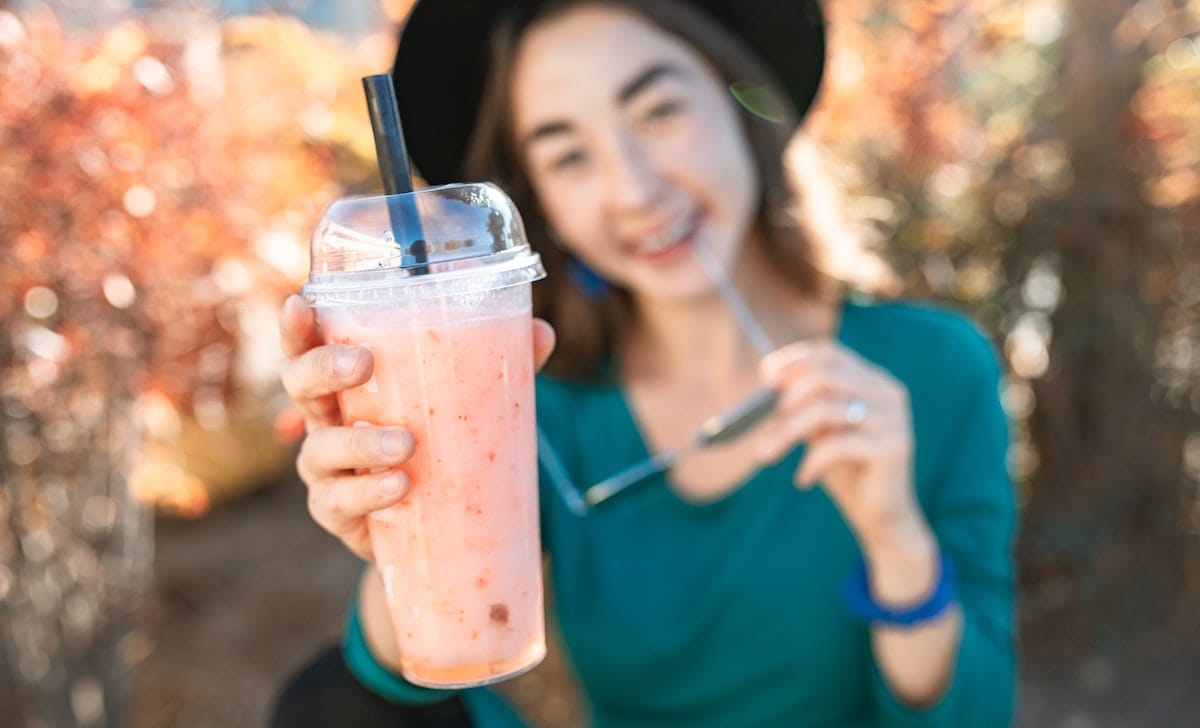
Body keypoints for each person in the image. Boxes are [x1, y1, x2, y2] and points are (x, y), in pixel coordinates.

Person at [271, 0, 1017, 726]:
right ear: (545, 205)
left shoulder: (933, 369)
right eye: (569, 154)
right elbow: (391, 691)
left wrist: (897, 538)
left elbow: (976, 713)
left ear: (739, 99)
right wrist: (407, 537)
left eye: (658, 111)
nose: (634, 188)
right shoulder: (529, 401)